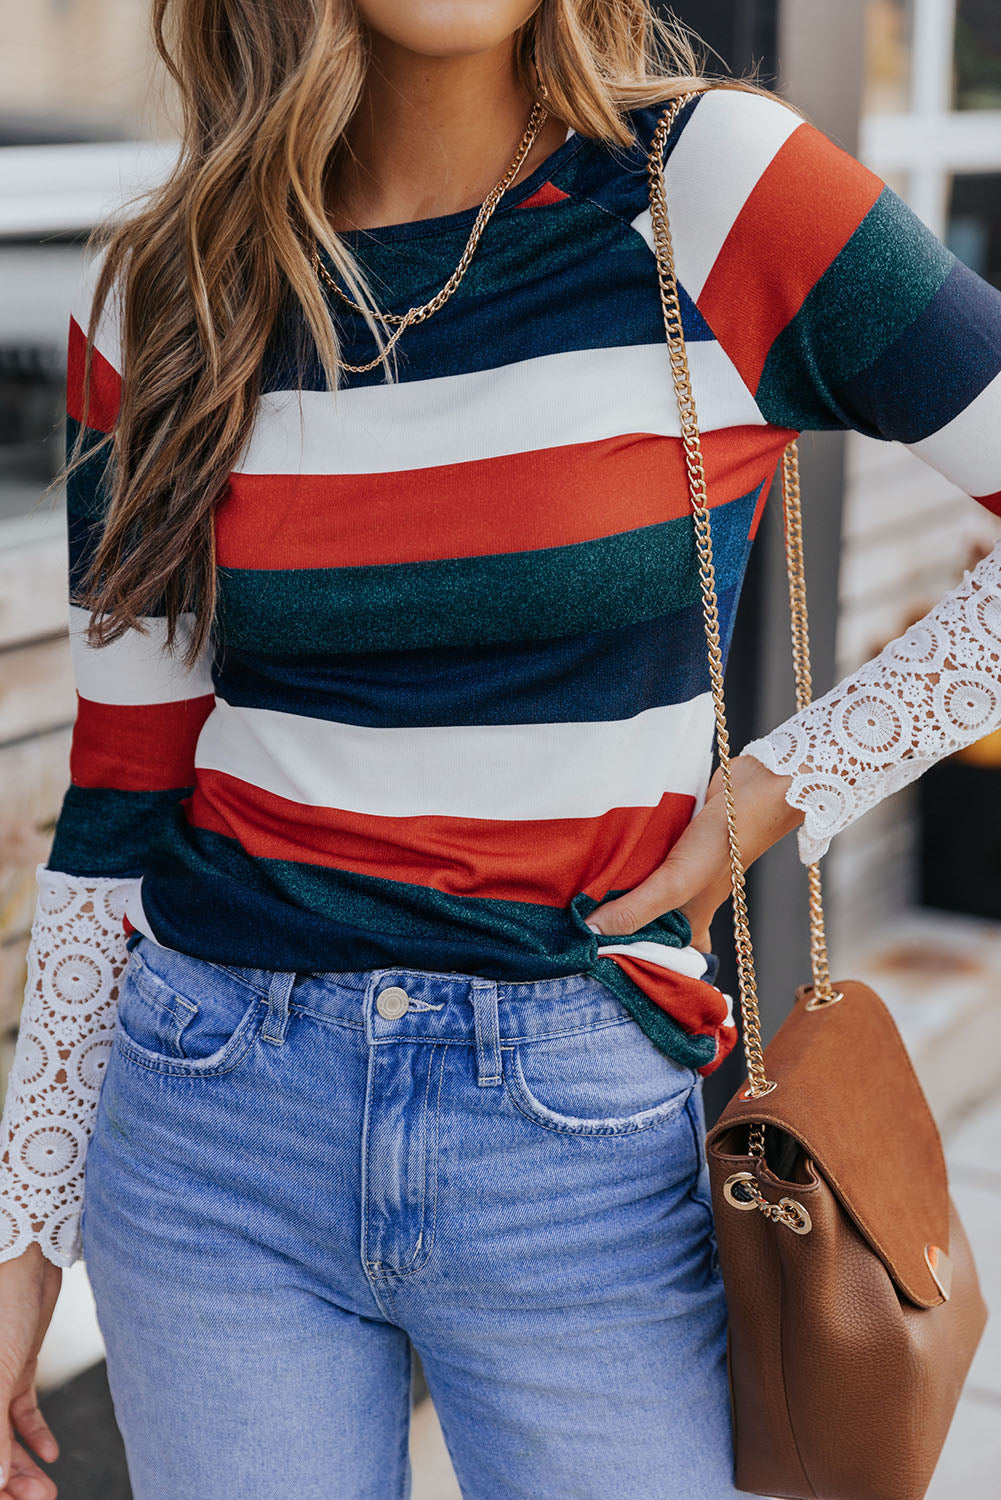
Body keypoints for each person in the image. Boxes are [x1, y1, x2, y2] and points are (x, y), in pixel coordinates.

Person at [1, 2, 1000, 1497]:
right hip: (212, 1119)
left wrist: (783, 785)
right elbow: (121, 792)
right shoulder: (161, 286)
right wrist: (23, 1235)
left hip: (573, 1124)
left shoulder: (708, 186)